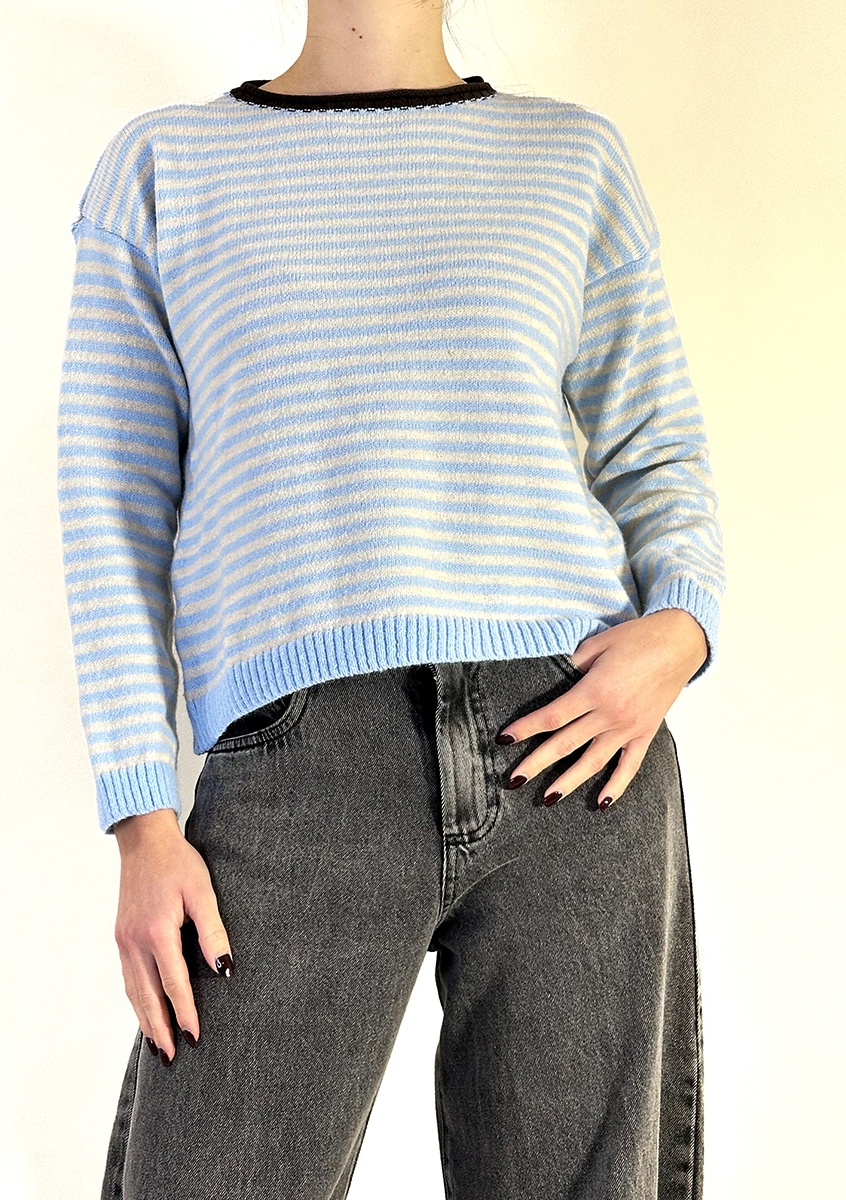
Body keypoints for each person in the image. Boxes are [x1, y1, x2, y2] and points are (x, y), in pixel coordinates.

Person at [56, 1, 726, 1196]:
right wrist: (140, 818)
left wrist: (680, 628)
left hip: (574, 744)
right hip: (297, 759)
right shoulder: (164, 166)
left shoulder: (571, 157)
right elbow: (112, 503)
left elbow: (656, 448)